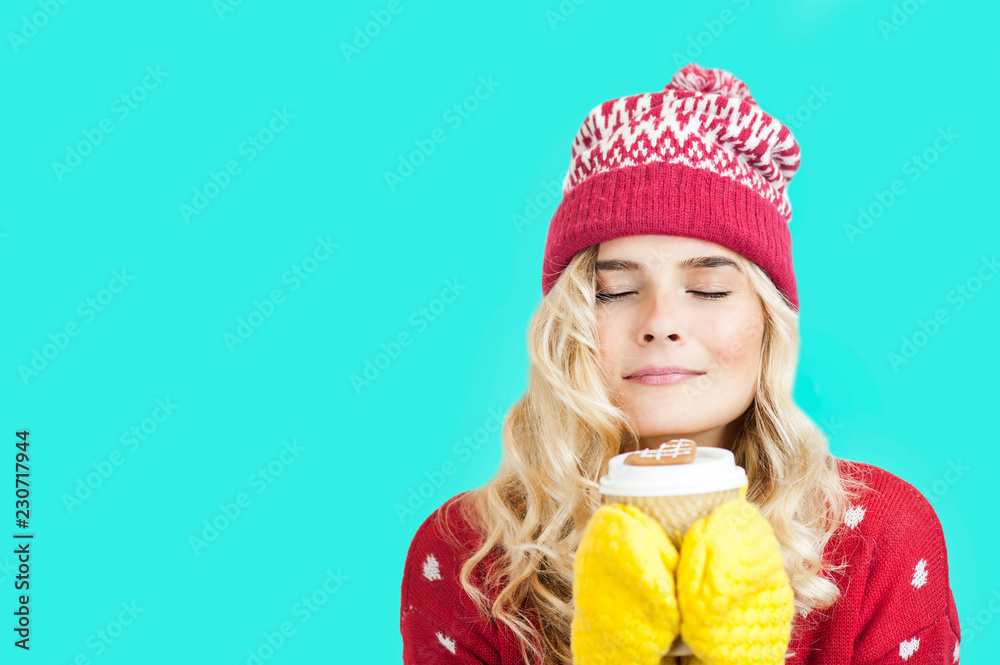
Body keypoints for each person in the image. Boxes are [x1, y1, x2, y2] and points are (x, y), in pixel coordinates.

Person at [399, 62, 961, 665]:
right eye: (613, 291)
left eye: (711, 288)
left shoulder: (878, 534)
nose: (661, 321)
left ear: (768, 322)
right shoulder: (470, 556)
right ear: (567, 324)